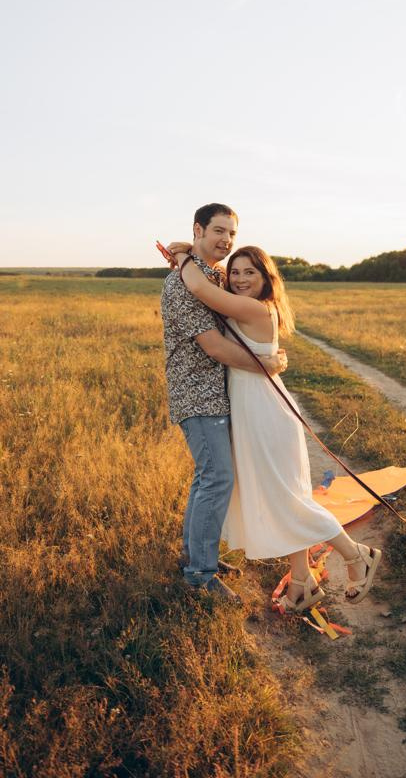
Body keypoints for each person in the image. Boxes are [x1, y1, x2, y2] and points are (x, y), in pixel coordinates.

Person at [165, 239, 382, 613]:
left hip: (265, 413)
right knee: (281, 494)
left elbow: (199, 286)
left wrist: (183, 255)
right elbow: (209, 283)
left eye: (251, 272)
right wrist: (198, 259)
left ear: (267, 278)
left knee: (287, 498)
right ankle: (302, 581)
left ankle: (356, 553)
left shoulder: (257, 309)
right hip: (251, 411)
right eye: (235, 272)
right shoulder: (243, 303)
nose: (240, 278)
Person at [161, 203, 287, 601]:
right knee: (217, 478)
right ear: (199, 228)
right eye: (218, 231)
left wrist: (183, 253)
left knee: (208, 478)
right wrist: (265, 364)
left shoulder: (208, 274)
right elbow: (214, 347)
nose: (226, 240)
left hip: (217, 394)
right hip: (196, 394)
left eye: (231, 233)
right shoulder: (183, 283)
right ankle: (200, 574)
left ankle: (196, 554)